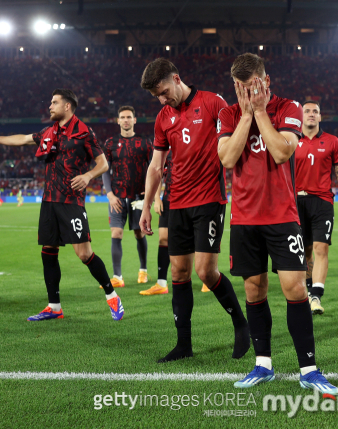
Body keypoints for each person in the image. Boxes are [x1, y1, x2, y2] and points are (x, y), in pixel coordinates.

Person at [218, 53, 338, 395]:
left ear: (266, 81)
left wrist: (259, 112)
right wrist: (246, 115)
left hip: (283, 216)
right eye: (241, 87)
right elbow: (227, 159)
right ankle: (263, 365)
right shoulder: (228, 114)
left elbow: (282, 152)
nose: (247, 92)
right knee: (254, 290)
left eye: (253, 85)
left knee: (295, 288)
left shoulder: (289, 108)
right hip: (244, 218)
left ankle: (309, 370)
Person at [139, 58, 249, 362]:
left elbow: (234, 145)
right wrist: (147, 205)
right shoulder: (163, 117)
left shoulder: (213, 103)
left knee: (205, 271)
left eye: (164, 92)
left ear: (176, 78)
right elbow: (156, 166)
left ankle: (241, 324)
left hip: (209, 200)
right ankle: (184, 344)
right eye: (157, 96)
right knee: (179, 271)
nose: (163, 99)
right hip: (177, 203)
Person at [0, 89, 124, 321]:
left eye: (54, 102)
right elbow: (24, 139)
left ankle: (112, 296)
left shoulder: (84, 132)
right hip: (49, 201)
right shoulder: (49, 131)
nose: (50, 106)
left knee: (84, 254)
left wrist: (88, 176)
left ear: (67, 106)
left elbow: (103, 163)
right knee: (48, 252)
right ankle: (54, 307)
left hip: (71, 201)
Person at [295, 101, 338, 315]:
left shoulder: (332, 141)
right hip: (296, 201)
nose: (311, 115)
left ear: (320, 117)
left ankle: (315, 295)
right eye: (307, 111)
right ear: (301, 115)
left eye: (315, 112)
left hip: (322, 201)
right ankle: (306, 289)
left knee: (321, 247)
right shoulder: (291, 139)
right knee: (305, 250)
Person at [101, 106, 153, 288]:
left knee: (139, 233)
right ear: (118, 121)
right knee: (116, 232)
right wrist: (109, 194)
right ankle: (117, 276)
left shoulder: (145, 143)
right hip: (117, 197)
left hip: (139, 197)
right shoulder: (109, 143)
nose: (125, 120)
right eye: (122, 117)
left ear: (134, 120)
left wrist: (150, 191)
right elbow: (104, 170)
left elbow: (154, 168)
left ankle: (143, 271)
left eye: (129, 117)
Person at [140, 151, 172, 296]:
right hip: (170, 197)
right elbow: (158, 170)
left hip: (194, 197)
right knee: (163, 237)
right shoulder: (168, 148)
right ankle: (161, 283)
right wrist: (157, 198)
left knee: (195, 237)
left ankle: (206, 278)